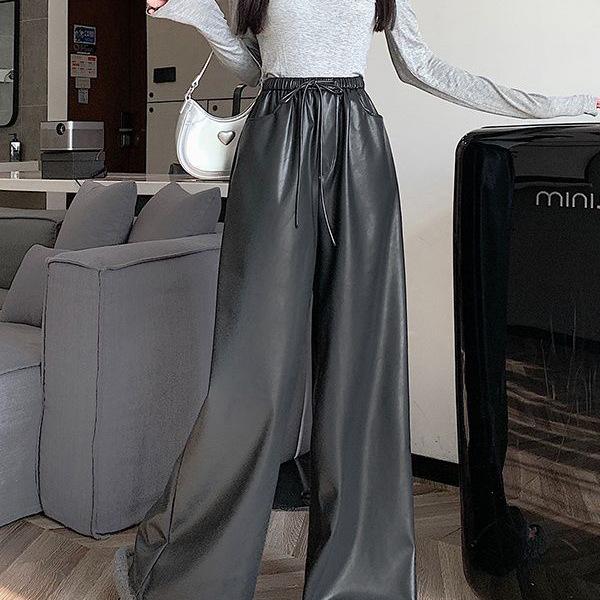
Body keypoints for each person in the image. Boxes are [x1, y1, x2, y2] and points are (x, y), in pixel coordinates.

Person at [114, 1, 599, 599]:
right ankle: (186, 575)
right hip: (274, 150)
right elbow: (253, 65)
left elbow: (424, 67)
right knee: (251, 372)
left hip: (358, 158)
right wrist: (191, 9)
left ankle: (359, 584)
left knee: (362, 371)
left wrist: (562, 105)